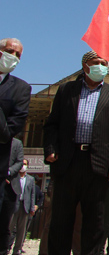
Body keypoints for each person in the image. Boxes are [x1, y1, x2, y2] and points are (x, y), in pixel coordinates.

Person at [44, 51, 109, 255]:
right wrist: (51, 149)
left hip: (97, 165)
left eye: (104, 63)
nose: (100, 66)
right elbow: (52, 124)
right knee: (61, 220)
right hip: (67, 162)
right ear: (85, 66)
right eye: (95, 62)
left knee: (95, 222)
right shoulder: (66, 90)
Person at [0, 39, 30, 254]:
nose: (13, 57)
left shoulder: (20, 89)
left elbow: (9, 131)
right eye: (9, 51)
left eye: (18, 54)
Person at [0, 138, 23, 255]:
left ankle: (3, 251)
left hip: (10, 188)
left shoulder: (17, 143)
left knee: (5, 223)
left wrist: (7, 172)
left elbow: (19, 162)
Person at [9, 158, 36, 255]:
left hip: (25, 206)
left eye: (25, 164)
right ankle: (6, 247)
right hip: (14, 205)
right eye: (22, 164)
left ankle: (17, 250)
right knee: (10, 228)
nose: (23, 166)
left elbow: (32, 194)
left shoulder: (30, 179)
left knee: (21, 230)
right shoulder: (14, 178)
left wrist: (32, 208)